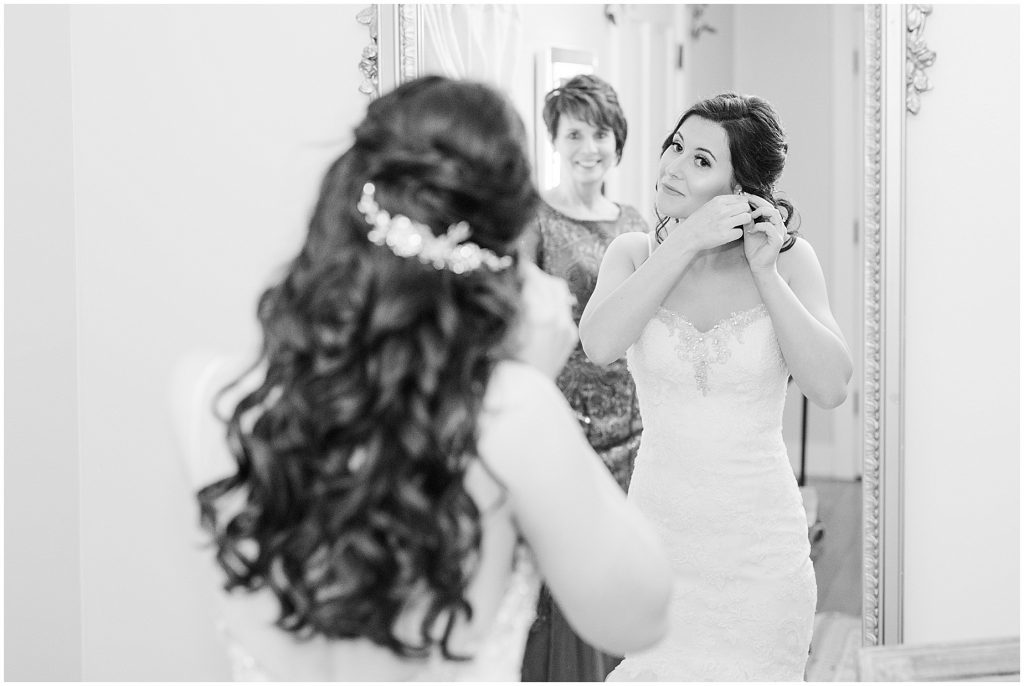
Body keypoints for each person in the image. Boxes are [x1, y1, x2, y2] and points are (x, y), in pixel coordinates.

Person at [175, 75, 672, 682]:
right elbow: (643, 617)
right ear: (502, 261)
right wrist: (533, 385)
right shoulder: (513, 413)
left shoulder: (205, 398)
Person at [580, 92, 853, 681]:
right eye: (675, 147)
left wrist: (766, 274)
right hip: (658, 538)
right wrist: (682, 241)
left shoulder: (790, 260)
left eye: (702, 160)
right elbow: (599, 344)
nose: (674, 166)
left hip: (760, 550)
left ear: (741, 189)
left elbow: (830, 387)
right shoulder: (632, 254)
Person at [518, 73, 647, 683]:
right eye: (574, 133)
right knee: (572, 570)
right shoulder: (535, 220)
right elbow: (518, 322)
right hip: (566, 421)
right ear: (556, 141)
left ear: (616, 140)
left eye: (599, 132)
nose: (588, 146)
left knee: (624, 564)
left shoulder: (635, 221)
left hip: (636, 421)